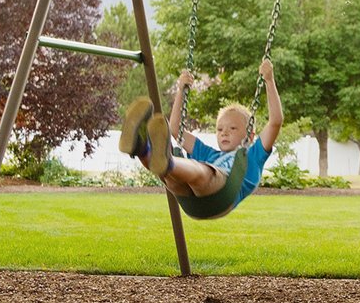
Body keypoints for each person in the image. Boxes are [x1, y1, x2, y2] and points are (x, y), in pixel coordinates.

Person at [119, 57, 283, 205]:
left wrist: (269, 80)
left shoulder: (254, 155)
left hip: (222, 197)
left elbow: (275, 122)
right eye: (219, 129)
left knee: (204, 173)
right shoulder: (209, 154)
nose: (224, 133)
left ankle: (166, 159)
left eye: (232, 128)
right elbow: (175, 129)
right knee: (171, 179)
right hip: (191, 201)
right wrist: (181, 91)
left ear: (250, 135)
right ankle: (141, 148)